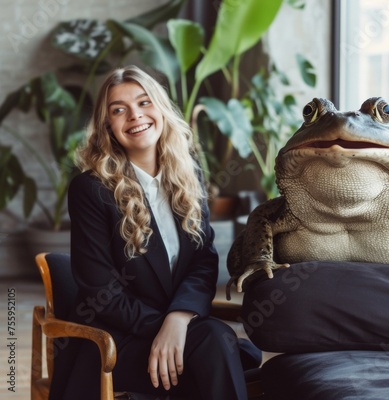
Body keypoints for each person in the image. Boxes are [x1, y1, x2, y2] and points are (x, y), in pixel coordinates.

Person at [49, 65, 257, 399]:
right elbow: (101, 291)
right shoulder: (90, 190)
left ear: (160, 110)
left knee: (219, 346)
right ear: (108, 126)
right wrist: (165, 328)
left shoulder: (188, 177)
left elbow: (203, 261)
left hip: (178, 334)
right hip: (115, 346)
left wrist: (178, 319)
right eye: (119, 109)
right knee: (217, 344)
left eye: (144, 102)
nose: (135, 115)